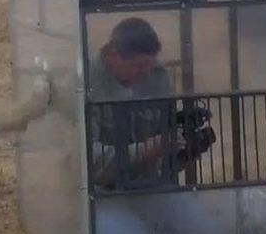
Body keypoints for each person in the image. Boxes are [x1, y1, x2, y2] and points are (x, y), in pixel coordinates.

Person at [88, 17, 214, 191]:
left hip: (152, 187)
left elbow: (164, 160)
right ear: (113, 55)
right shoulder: (86, 85)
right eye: (139, 66)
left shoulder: (157, 75)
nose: (146, 74)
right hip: (104, 194)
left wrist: (182, 144)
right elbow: (90, 164)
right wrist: (147, 151)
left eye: (150, 65)